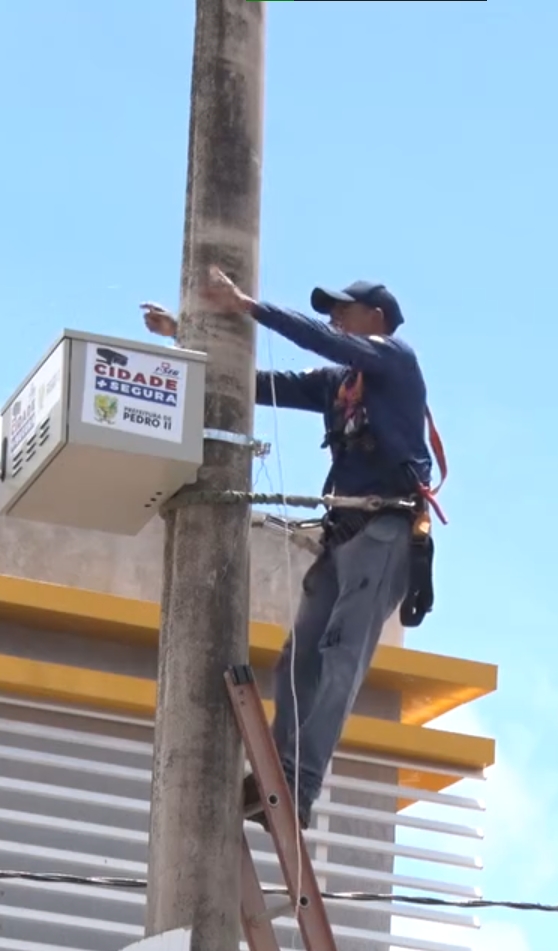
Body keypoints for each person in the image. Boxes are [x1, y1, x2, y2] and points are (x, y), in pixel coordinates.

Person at [141, 266, 442, 830]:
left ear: (375, 320)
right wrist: (185, 335)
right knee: (298, 658)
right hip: (344, 533)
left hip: (386, 531)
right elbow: (259, 384)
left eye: (344, 310)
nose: (335, 318)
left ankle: (299, 785)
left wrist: (246, 305)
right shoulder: (339, 385)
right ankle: (279, 776)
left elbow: (320, 337)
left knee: (340, 657)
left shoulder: (395, 360)